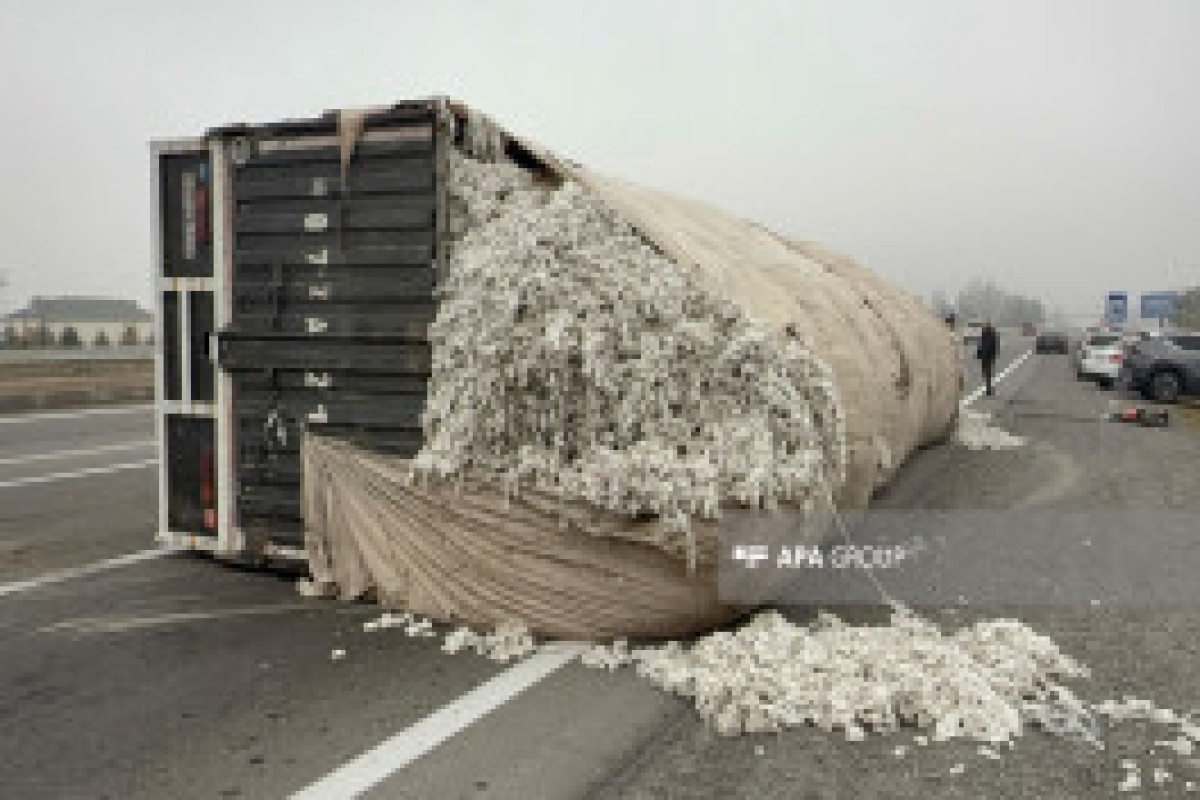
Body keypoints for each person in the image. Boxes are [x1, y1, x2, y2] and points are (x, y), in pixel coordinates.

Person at [977, 319, 999, 395]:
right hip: (985, 355)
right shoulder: (984, 334)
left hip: (988, 356)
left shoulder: (992, 335)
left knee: (988, 373)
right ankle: (988, 387)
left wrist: (993, 355)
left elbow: (994, 346)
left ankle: (988, 389)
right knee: (986, 372)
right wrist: (979, 353)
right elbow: (980, 345)